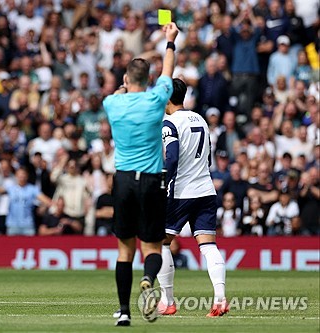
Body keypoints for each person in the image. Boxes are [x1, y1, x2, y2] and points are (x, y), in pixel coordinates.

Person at [103, 22, 179, 326]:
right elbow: (168, 72)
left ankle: (124, 311)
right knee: (153, 246)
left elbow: (120, 91)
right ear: (148, 80)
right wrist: (169, 41)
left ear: (124, 79)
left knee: (124, 249)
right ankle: (148, 278)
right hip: (151, 180)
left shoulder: (112, 103)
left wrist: (124, 84)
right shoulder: (156, 98)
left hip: (123, 180)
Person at [159, 78, 229, 317]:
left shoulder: (169, 123)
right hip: (206, 190)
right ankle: (220, 298)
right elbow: (208, 157)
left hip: (180, 193)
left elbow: (173, 157)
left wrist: (165, 182)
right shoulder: (199, 118)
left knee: (160, 243)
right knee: (209, 246)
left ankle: (167, 301)